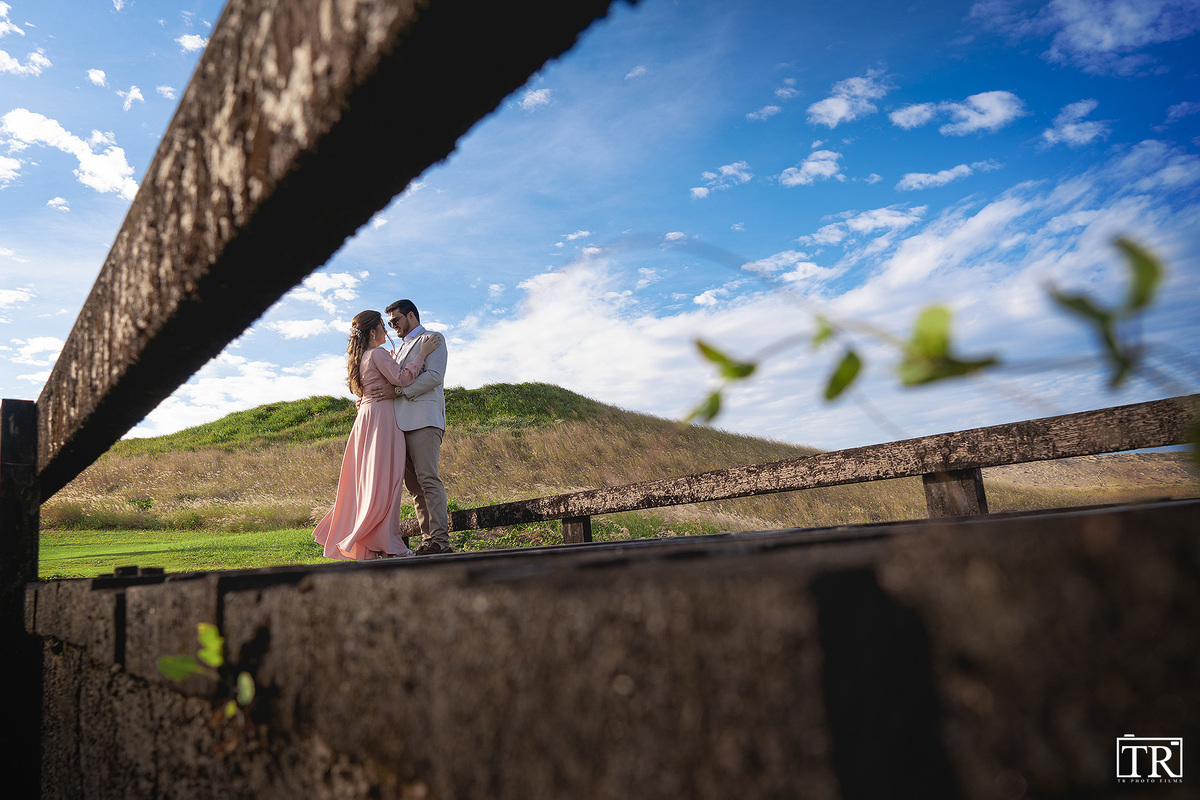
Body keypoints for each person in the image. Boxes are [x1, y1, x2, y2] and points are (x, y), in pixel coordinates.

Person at [313, 310, 442, 560]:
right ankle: (388, 544)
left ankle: (374, 540)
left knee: (369, 483)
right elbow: (403, 379)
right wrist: (422, 354)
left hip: (366, 419)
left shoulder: (360, 358)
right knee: (386, 484)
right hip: (382, 420)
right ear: (373, 332)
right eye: (384, 325)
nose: (387, 329)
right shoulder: (377, 354)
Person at [386, 299, 452, 555]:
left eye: (396, 320)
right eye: (390, 323)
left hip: (424, 420)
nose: (393, 326)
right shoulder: (399, 349)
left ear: (411, 315)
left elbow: (435, 376)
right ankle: (428, 541)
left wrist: (401, 391)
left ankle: (440, 542)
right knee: (414, 488)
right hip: (400, 425)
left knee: (428, 480)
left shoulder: (433, 338)